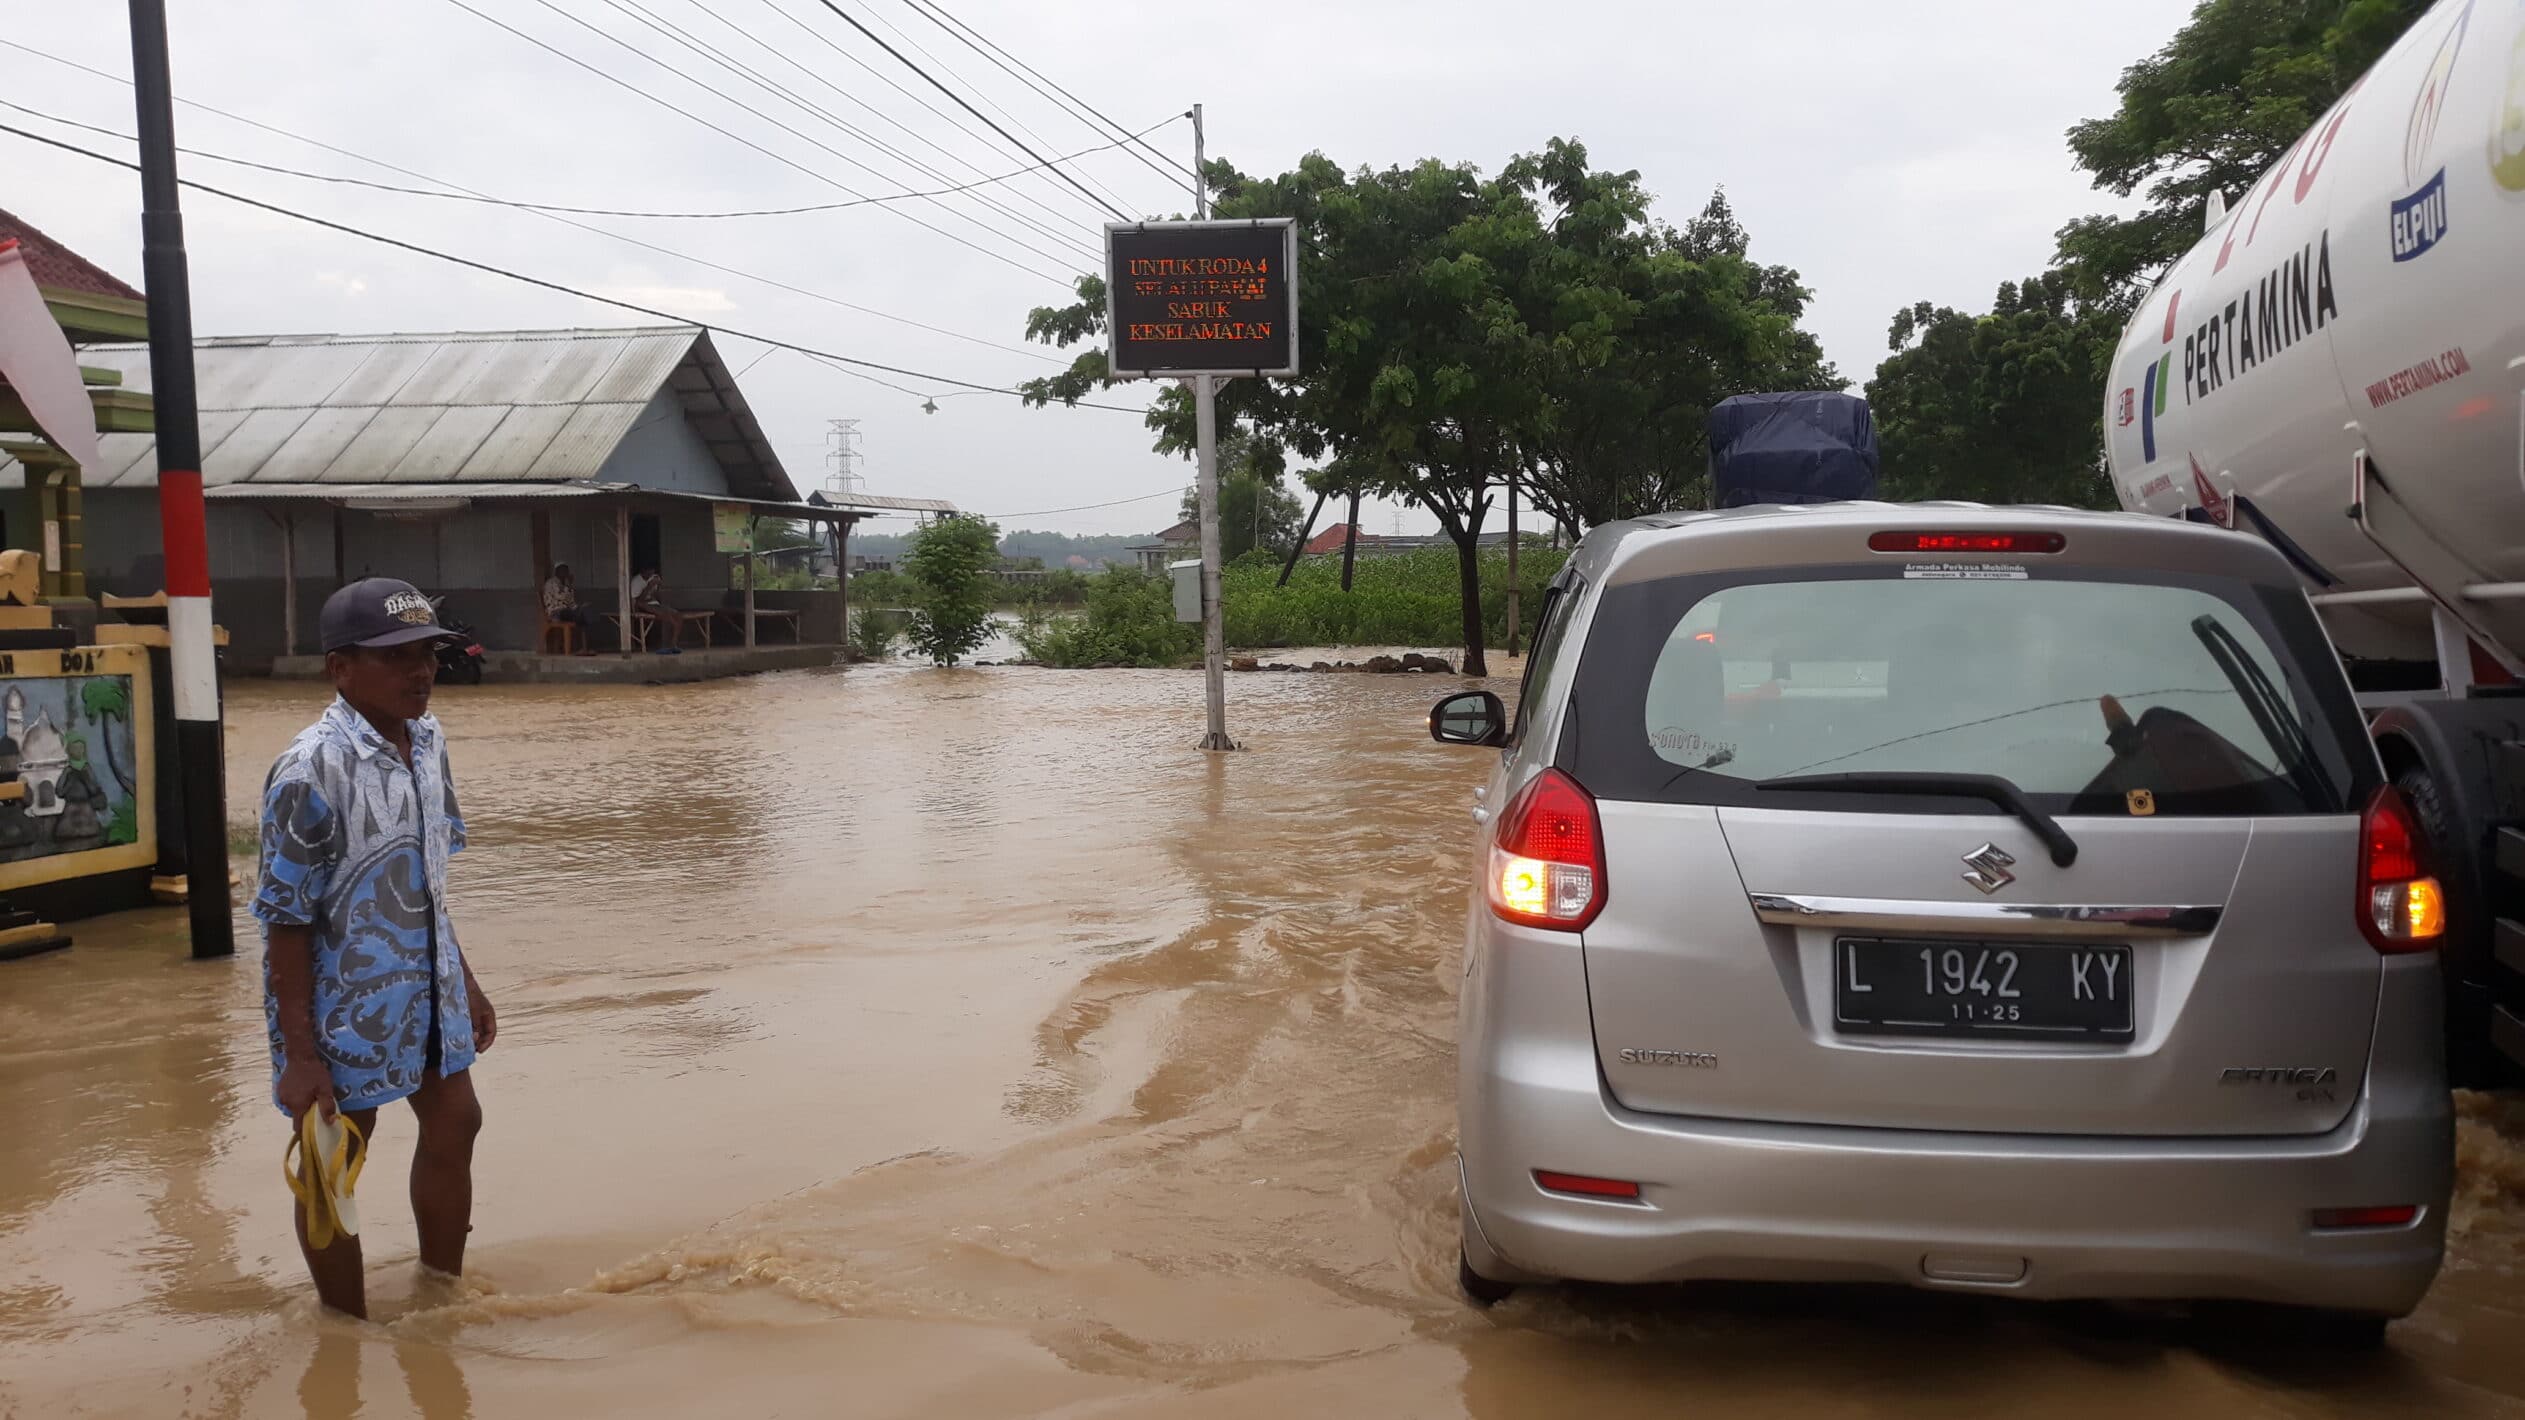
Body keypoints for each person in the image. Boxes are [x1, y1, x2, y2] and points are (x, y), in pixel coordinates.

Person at [254, 577, 495, 1319]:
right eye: (396, 658)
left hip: (429, 984)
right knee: (334, 1161)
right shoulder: (308, 771)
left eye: (428, 654)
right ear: (340, 668)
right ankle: (345, 1328)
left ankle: (441, 1298)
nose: (421, 672)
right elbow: (284, 920)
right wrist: (300, 1054)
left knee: (457, 1120)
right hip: (339, 1002)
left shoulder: (428, 740)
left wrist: (465, 980)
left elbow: (429, 876)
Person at [540, 562, 598, 655]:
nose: (566, 573)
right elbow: (561, 597)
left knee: (584, 615)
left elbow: (571, 602)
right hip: (556, 612)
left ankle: (584, 649)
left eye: (567, 571)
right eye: (563, 570)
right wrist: (569, 585)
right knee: (582, 616)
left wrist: (578, 607)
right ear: (557, 571)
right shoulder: (552, 583)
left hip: (567, 611)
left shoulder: (565, 584)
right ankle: (584, 647)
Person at [630, 565, 686, 654]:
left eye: (653, 571)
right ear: (643, 571)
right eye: (649, 571)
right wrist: (649, 586)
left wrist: (659, 587)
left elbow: (655, 596)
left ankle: (673, 644)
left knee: (678, 615)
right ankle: (665, 645)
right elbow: (639, 601)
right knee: (668, 618)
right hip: (641, 605)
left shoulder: (653, 577)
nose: (651, 573)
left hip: (654, 604)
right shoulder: (636, 581)